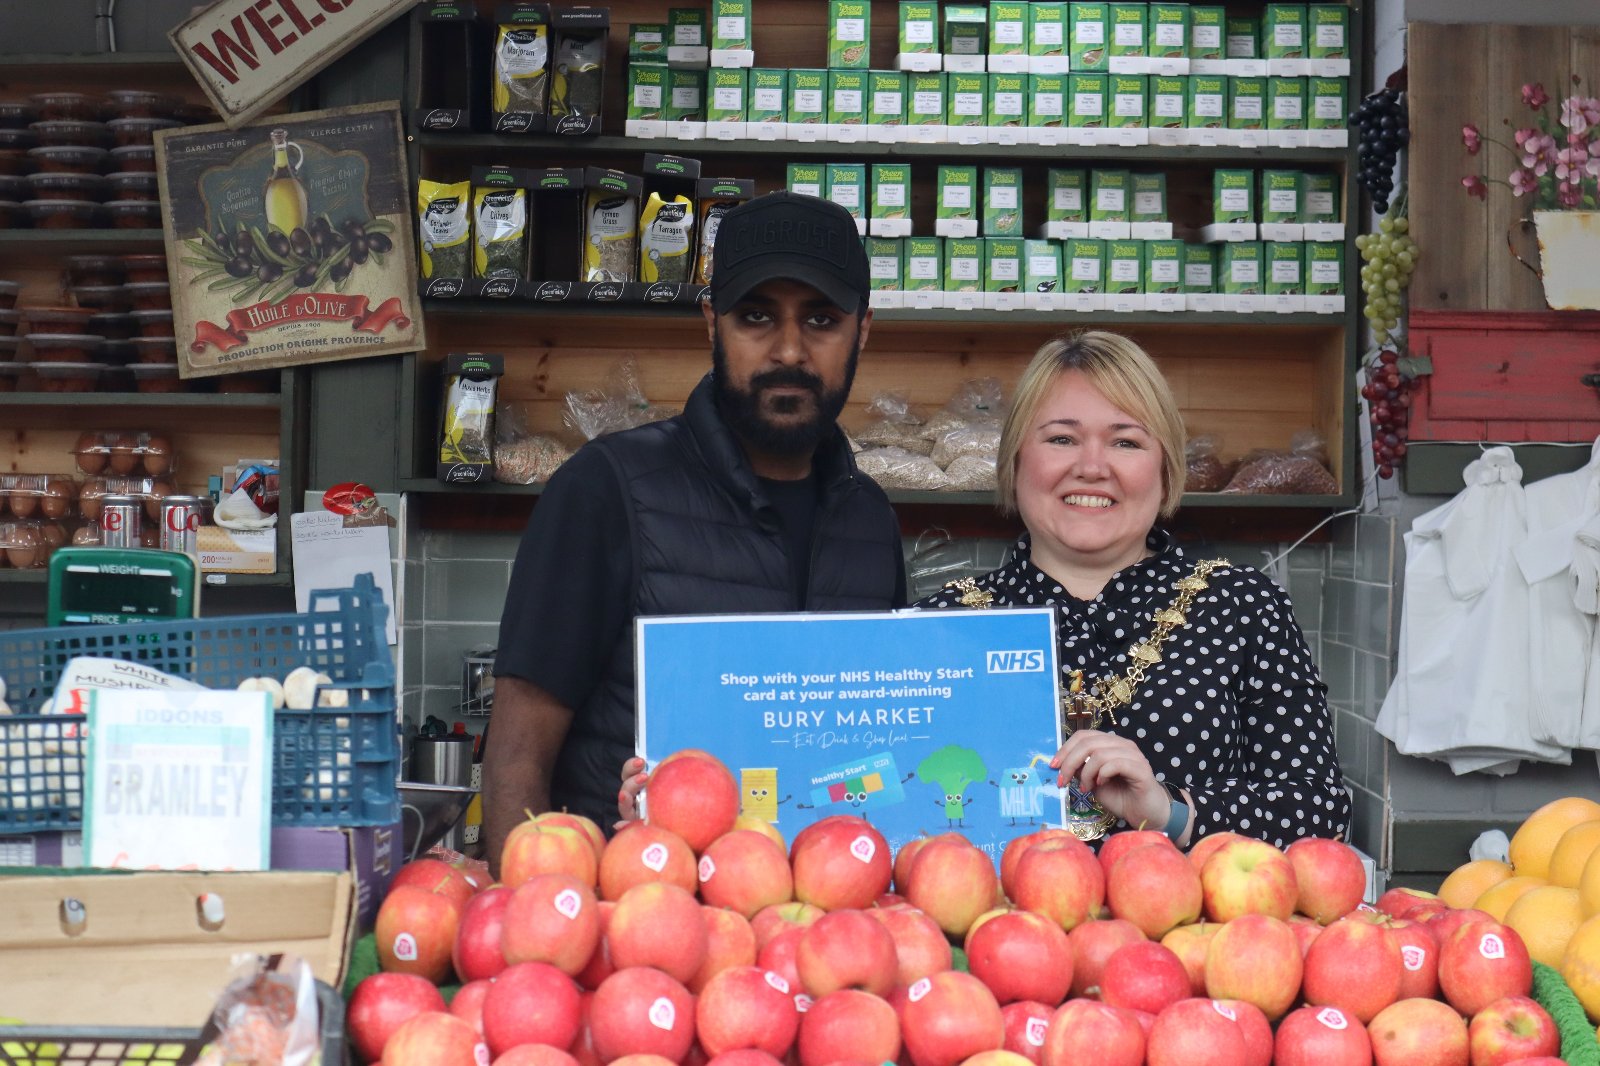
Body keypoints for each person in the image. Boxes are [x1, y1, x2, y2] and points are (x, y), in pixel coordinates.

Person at [485, 192, 907, 872]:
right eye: (756, 316)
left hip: (818, 923)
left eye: (822, 319)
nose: (789, 350)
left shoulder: (869, 518)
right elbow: (516, 753)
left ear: (863, 330)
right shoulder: (606, 489)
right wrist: (525, 922)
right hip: (634, 927)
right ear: (711, 320)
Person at [917, 331, 1351, 848]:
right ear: (1013, 465)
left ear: (1166, 475)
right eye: (1061, 439)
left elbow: (1320, 810)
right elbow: (896, 810)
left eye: (1126, 441)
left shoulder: (1242, 606)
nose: (1093, 467)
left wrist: (1169, 810)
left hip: (1189, 926)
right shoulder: (938, 624)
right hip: (997, 925)